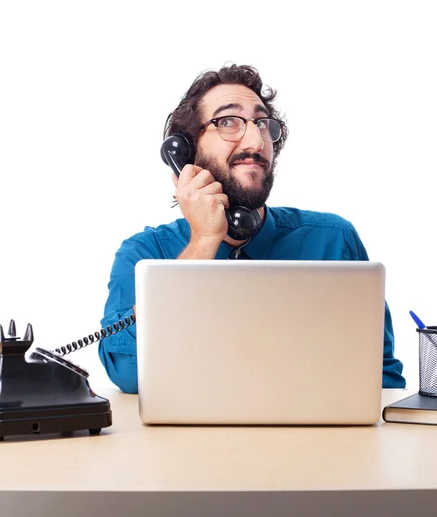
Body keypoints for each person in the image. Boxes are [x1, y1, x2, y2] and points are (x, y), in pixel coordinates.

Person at [98, 64, 406, 394]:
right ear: (185, 153)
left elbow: (381, 378)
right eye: (228, 121)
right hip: (189, 445)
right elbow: (129, 373)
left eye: (262, 123)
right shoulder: (144, 255)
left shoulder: (334, 241)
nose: (256, 139)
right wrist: (203, 242)